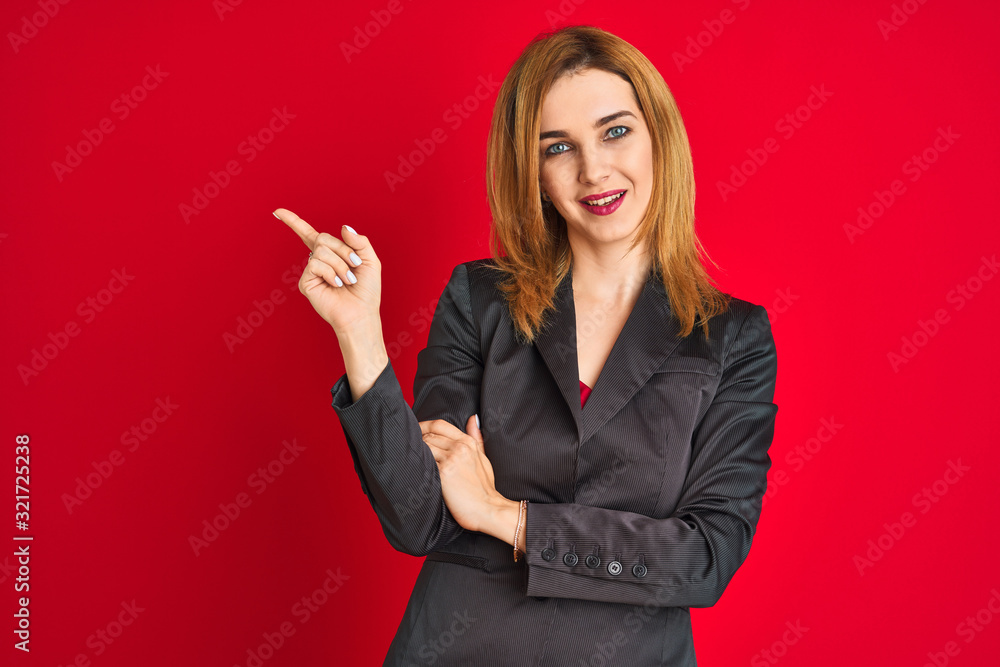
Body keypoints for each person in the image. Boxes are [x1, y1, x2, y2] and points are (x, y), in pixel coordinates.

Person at [275, 24, 777, 666]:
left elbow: (704, 557)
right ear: (535, 174)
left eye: (615, 131)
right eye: (558, 147)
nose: (593, 169)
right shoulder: (481, 300)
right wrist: (360, 334)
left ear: (660, 139)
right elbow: (418, 517)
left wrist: (503, 516)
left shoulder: (732, 337)